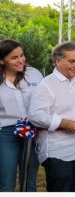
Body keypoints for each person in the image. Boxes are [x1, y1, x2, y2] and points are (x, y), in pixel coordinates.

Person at [29, 42, 75, 192]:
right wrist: (64, 123)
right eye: (71, 61)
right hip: (56, 152)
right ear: (58, 61)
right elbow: (35, 115)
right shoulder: (46, 85)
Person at [0, 39, 43, 192]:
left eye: (22, 55)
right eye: (14, 57)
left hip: (32, 131)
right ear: (1, 60)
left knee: (29, 182)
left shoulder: (34, 74)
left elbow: (44, 101)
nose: (21, 60)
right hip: (6, 133)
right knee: (6, 182)